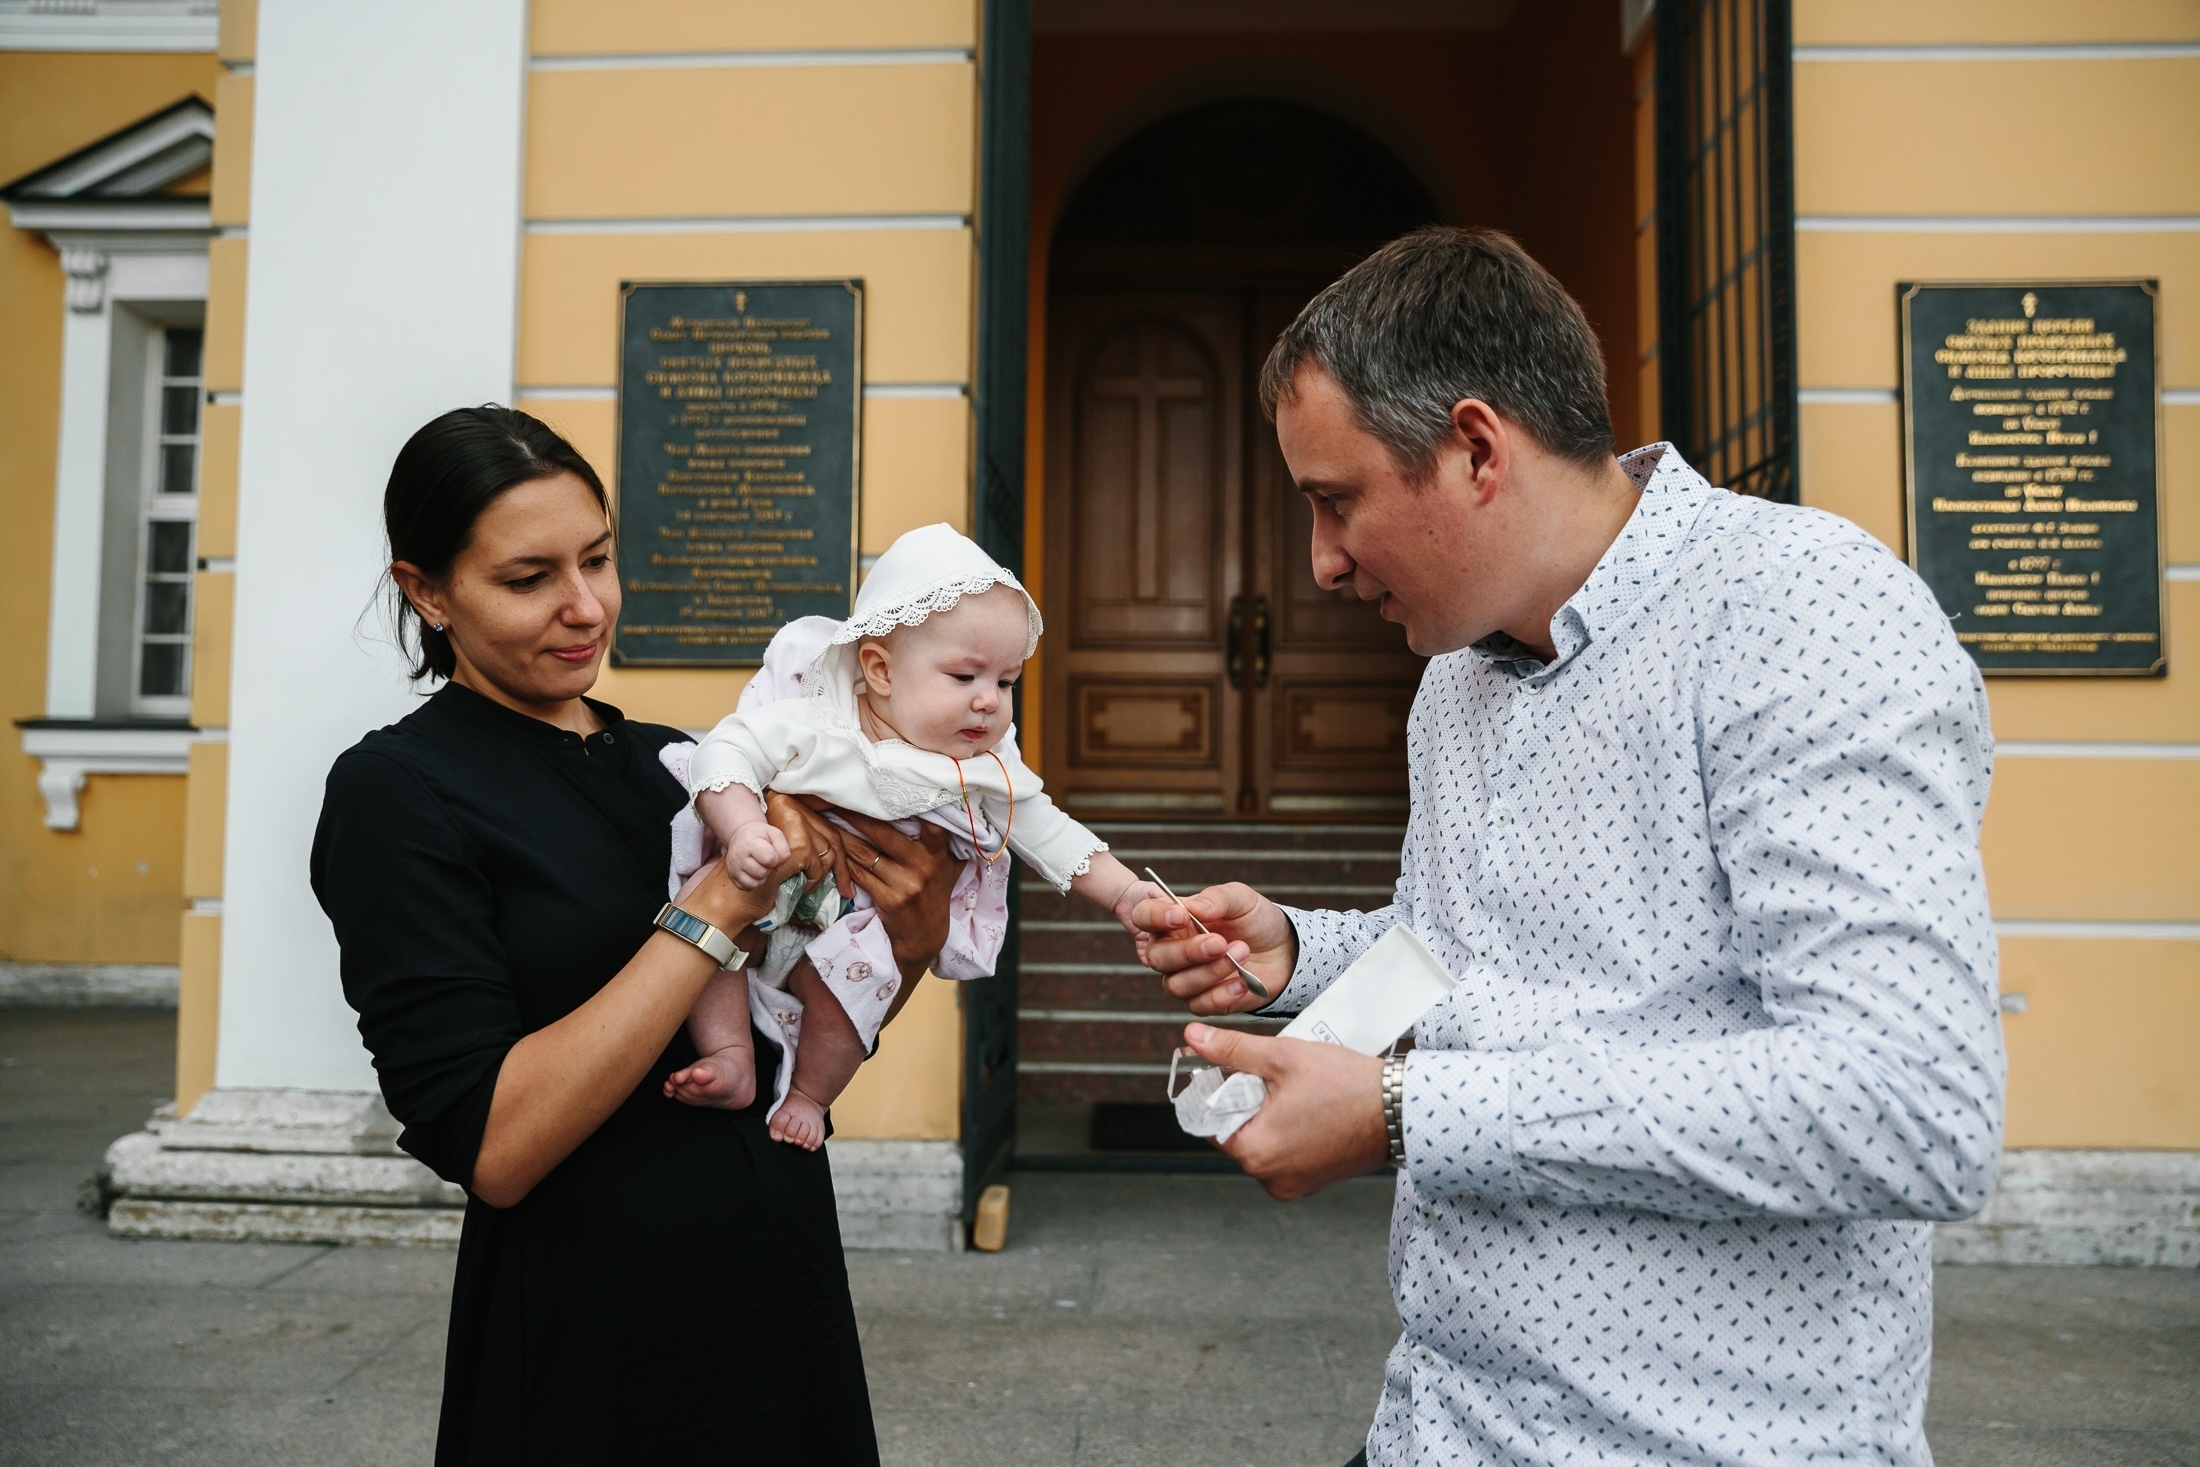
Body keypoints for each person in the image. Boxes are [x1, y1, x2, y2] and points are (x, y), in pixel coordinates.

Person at [1132, 227, 2005, 1466]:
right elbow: (1468, 967)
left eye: (1337, 502)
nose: (1321, 562)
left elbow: (1909, 1106)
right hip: (1439, 1424)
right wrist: (1301, 960)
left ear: (1477, 448)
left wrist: (1397, 1114)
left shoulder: (1803, 611)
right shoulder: (1460, 674)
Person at [311, 406, 962, 1464]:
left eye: (598, 561)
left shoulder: (680, 761)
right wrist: (713, 909)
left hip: (773, 1280)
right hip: (593, 1331)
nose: (583, 608)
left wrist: (914, 932)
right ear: (426, 592)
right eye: (528, 580)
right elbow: (497, 1148)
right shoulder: (398, 794)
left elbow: (790, 1022)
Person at [666, 522, 1161, 1148]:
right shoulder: (819, 721)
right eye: (965, 677)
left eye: (1006, 682)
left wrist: (1127, 898)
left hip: (852, 931)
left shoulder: (982, 771)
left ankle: (811, 1095)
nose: (989, 702)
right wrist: (740, 830)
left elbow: (1050, 831)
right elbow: (728, 750)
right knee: (709, 936)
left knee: (853, 995)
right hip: (760, 888)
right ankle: (733, 1057)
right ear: (880, 670)